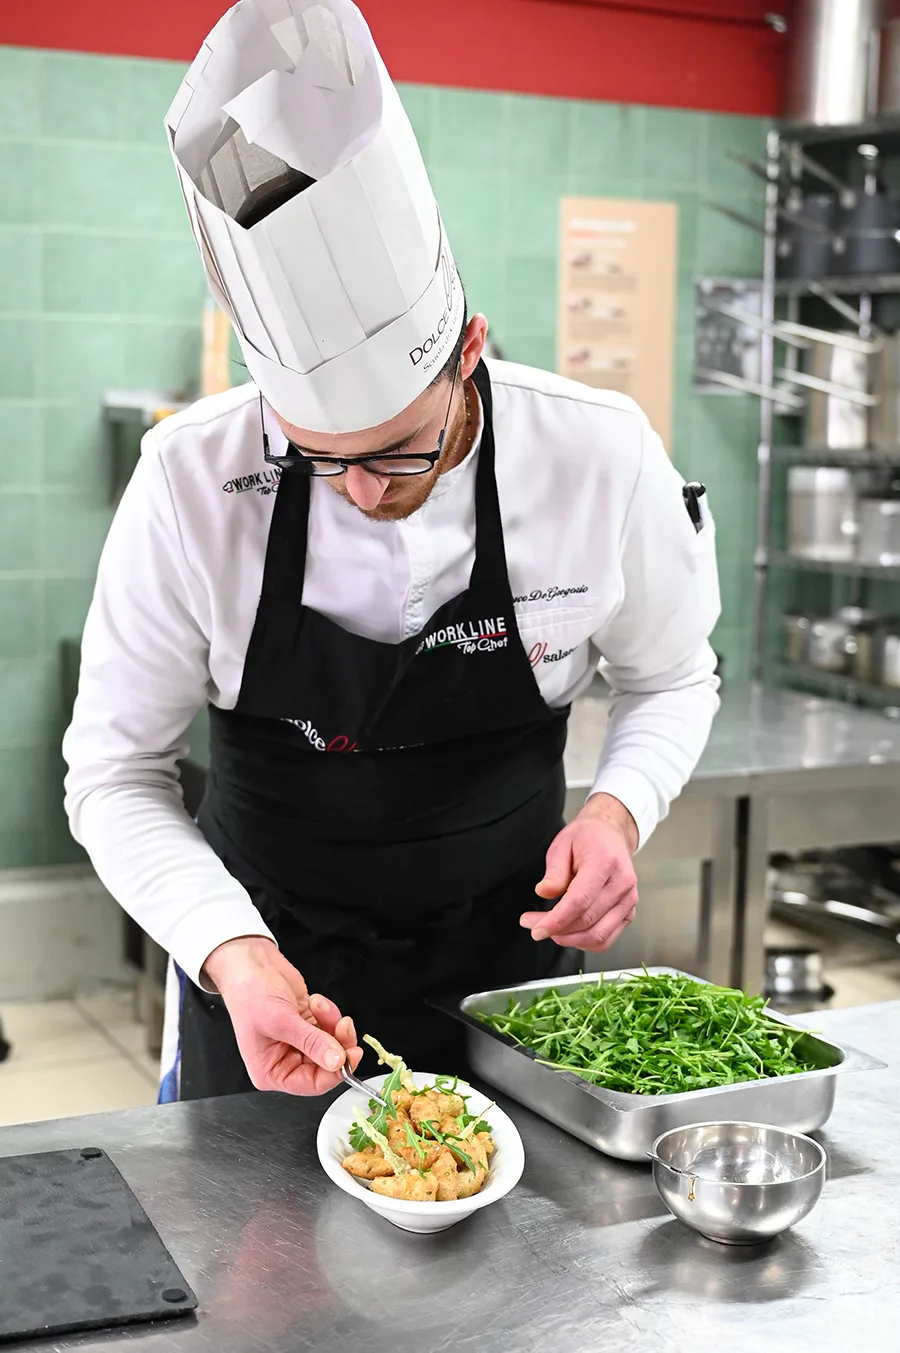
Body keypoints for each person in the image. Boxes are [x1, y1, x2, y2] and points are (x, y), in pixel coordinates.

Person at [63, 0, 721, 1103]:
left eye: (396, 449)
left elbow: (673, 676)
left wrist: (618, 810)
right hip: (271, 986)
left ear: (469, 351)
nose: (361, 491)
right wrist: (231, 950)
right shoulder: (188, 478)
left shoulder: (598, 453)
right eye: (316, 456)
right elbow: (115, 776)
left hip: (517, 980)